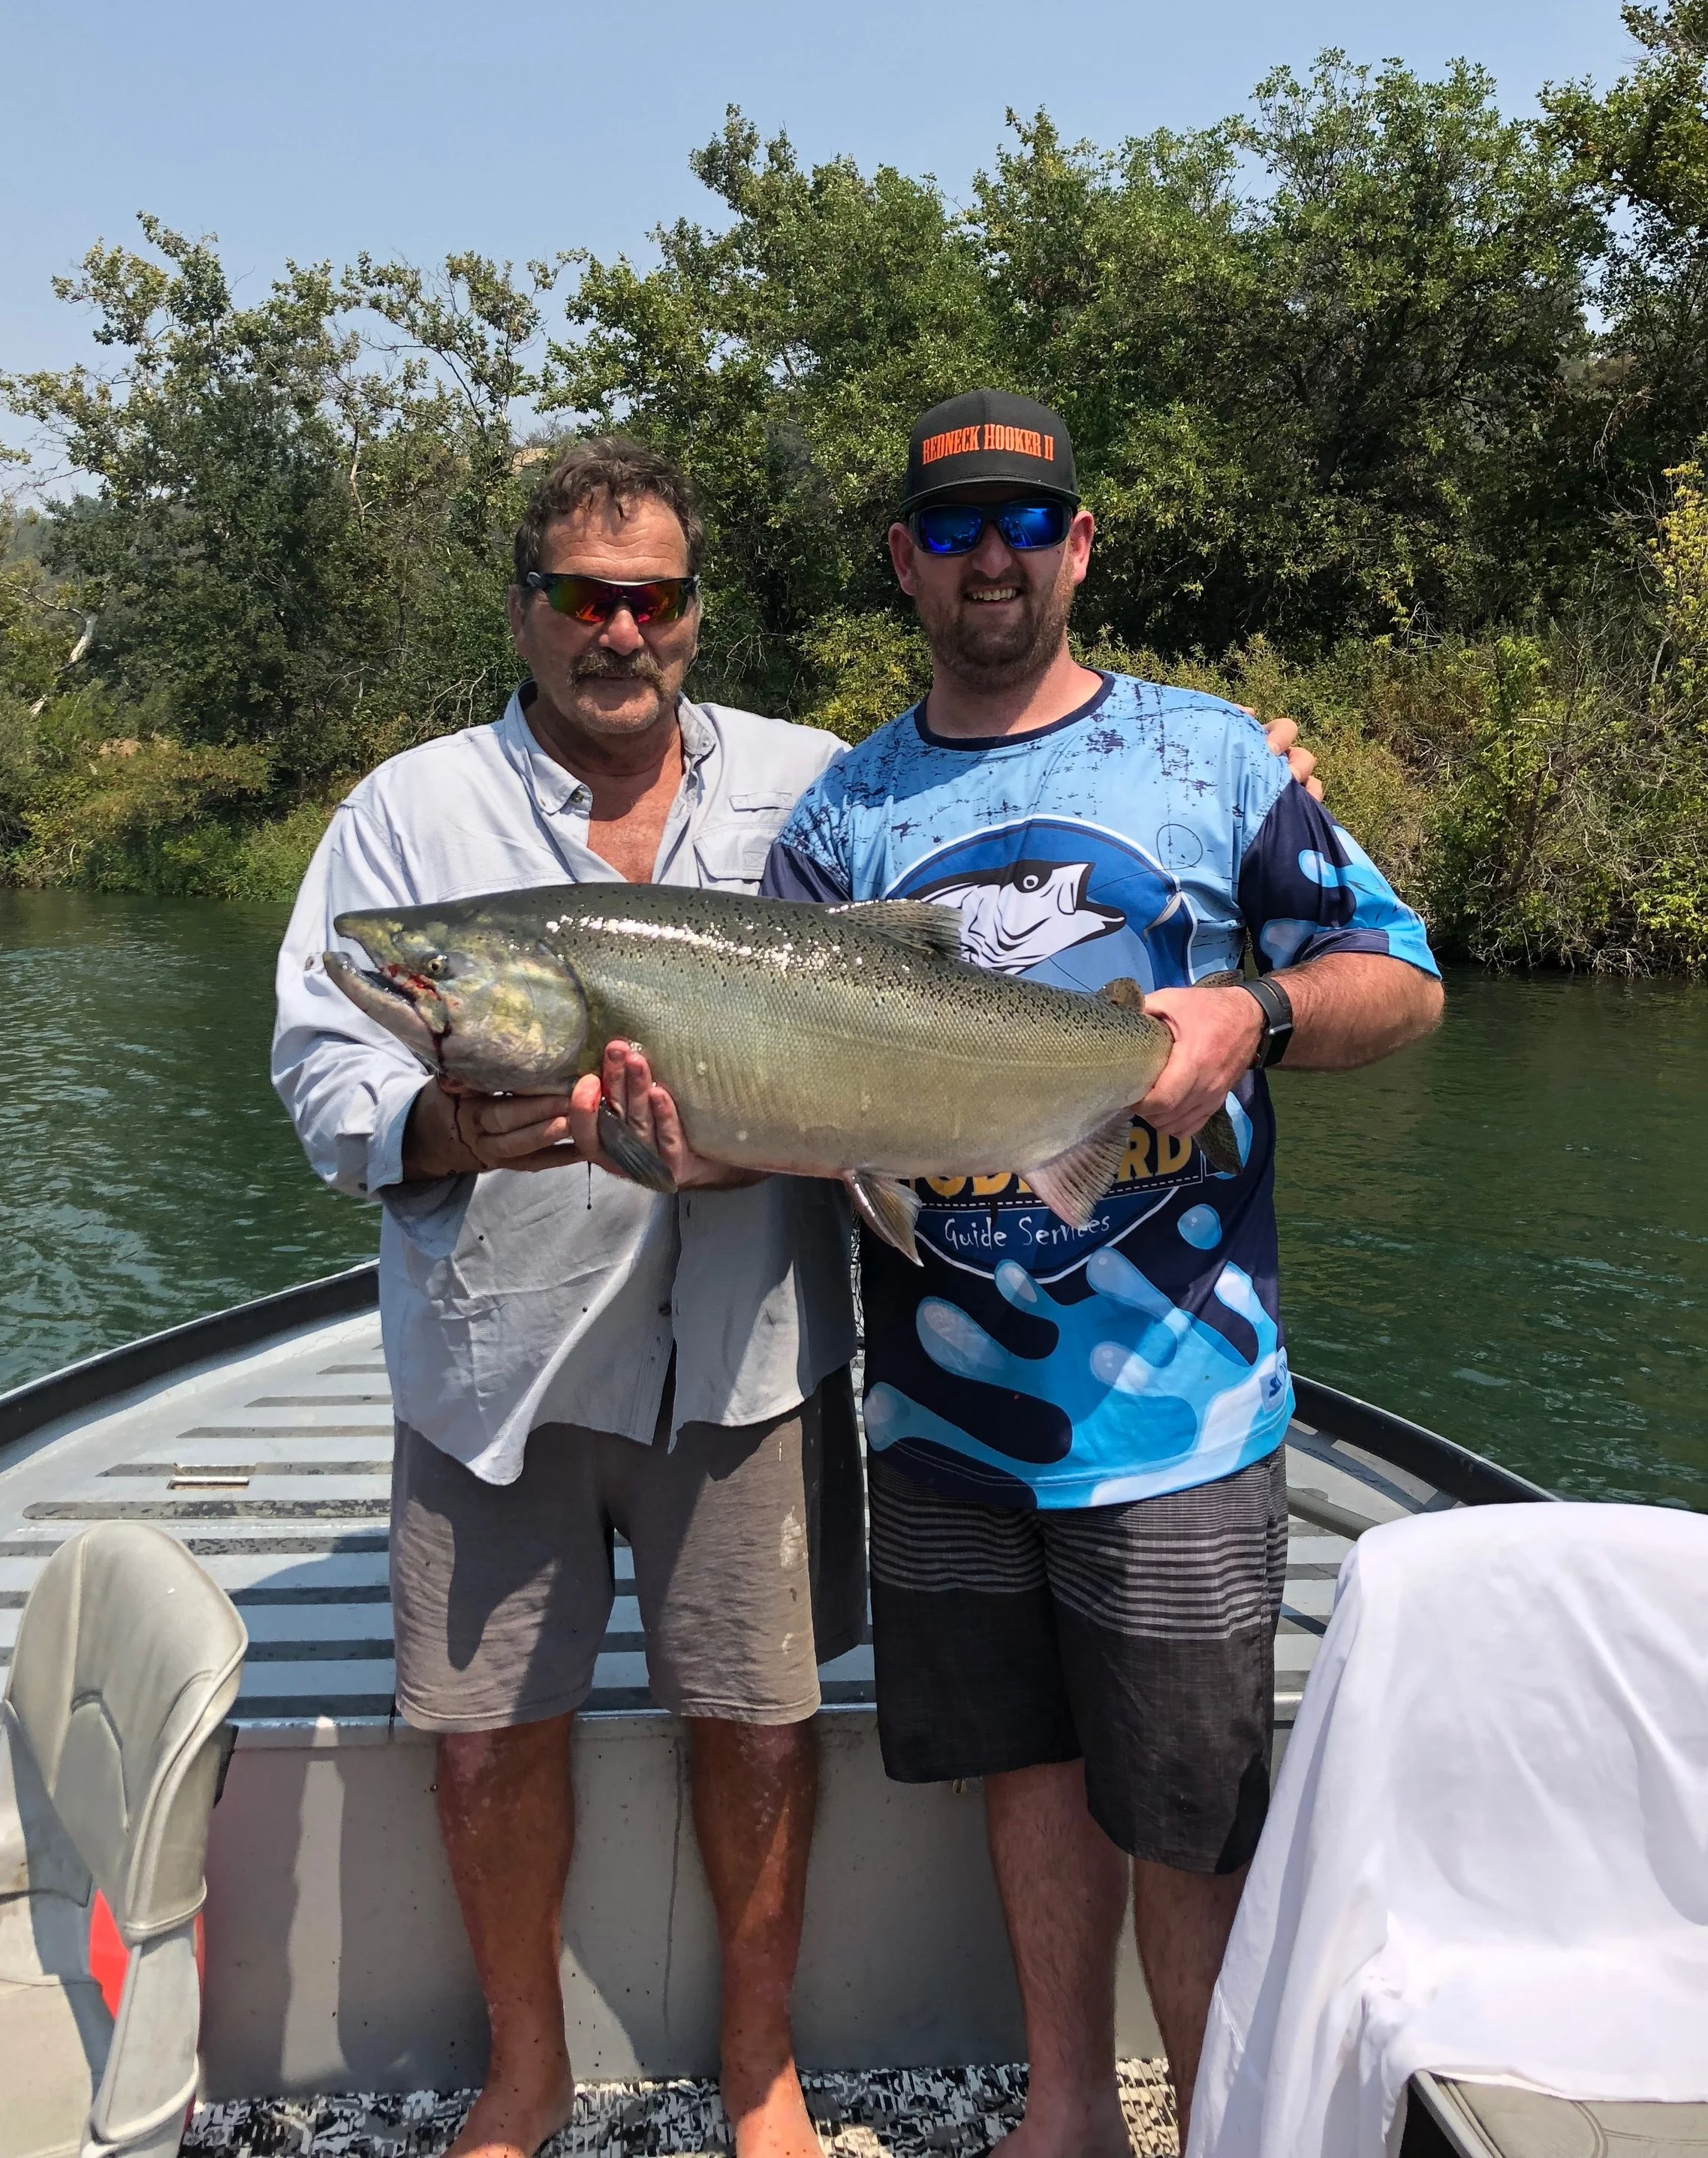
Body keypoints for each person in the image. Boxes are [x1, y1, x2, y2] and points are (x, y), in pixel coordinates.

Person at [602, 390, 1440, 2153]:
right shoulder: (842, 816)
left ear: (1079, 545)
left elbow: (1404, 981)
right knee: (1029, 1780)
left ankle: (1217, 2128)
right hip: (939, 1415)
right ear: (904, 560)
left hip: (1177, 1415)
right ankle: (1067, 2113)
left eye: (1022, 520)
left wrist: (1258, 1008)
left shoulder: (1212, 760)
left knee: (1189, 1815)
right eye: (952, 525)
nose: (990, 554)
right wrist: (680, 1135)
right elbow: (795, 1100)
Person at [272, 440, 864, 2158]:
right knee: (484, 1745)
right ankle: (523, 2073)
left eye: (653, 596)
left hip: (743, 1352)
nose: (621, 629)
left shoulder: (813, 784)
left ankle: (760, 2078)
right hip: (497, 1364)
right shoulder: (407, 814)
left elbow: (972, 884)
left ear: (692, 611)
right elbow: (321, 1054)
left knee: (758, 1731)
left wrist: (1241, 779)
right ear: (525, 613)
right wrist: (440, 1126)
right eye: (584, 597)